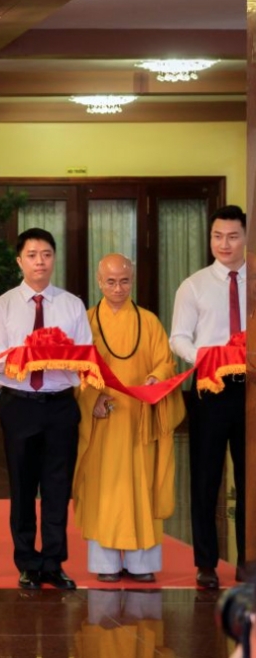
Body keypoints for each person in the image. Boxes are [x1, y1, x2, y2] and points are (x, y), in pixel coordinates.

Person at [0, 227, 91, 590]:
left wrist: (60, 357)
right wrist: (33, 357)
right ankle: (27, 562)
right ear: (20, 261)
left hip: (60, 406)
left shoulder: (72, 304)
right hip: (19, 405)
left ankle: (53, 562)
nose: (39, 262)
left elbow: (84, 355)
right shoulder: (3, 305)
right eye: (32, 255)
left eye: (46, 254)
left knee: (58, 487)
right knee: (22, 486)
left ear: (54, 258)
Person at [74, 254, 183, 584]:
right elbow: (78, 368)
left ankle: (141, 563)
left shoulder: (149, 321)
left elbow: (166, 362)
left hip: (139, 418)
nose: (118, 288)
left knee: (142, 488)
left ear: (132, 280)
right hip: (103, 419)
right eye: (110, 281)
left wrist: (155, 378)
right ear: (98, 281)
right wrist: (92, 399)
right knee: (104, 489)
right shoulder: (87, 322)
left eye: (124, 281)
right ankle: (105, 563)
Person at [169, 204, 247, 589]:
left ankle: (249, 560)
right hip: (209, 389)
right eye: (218, 236)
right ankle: (206, 563)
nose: (225, 244)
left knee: (251, 478)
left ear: (246, 237)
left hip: (251, 391)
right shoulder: (194, 285)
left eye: (232, 236)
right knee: (205, 477)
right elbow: (178, 337)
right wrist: (209, 357)